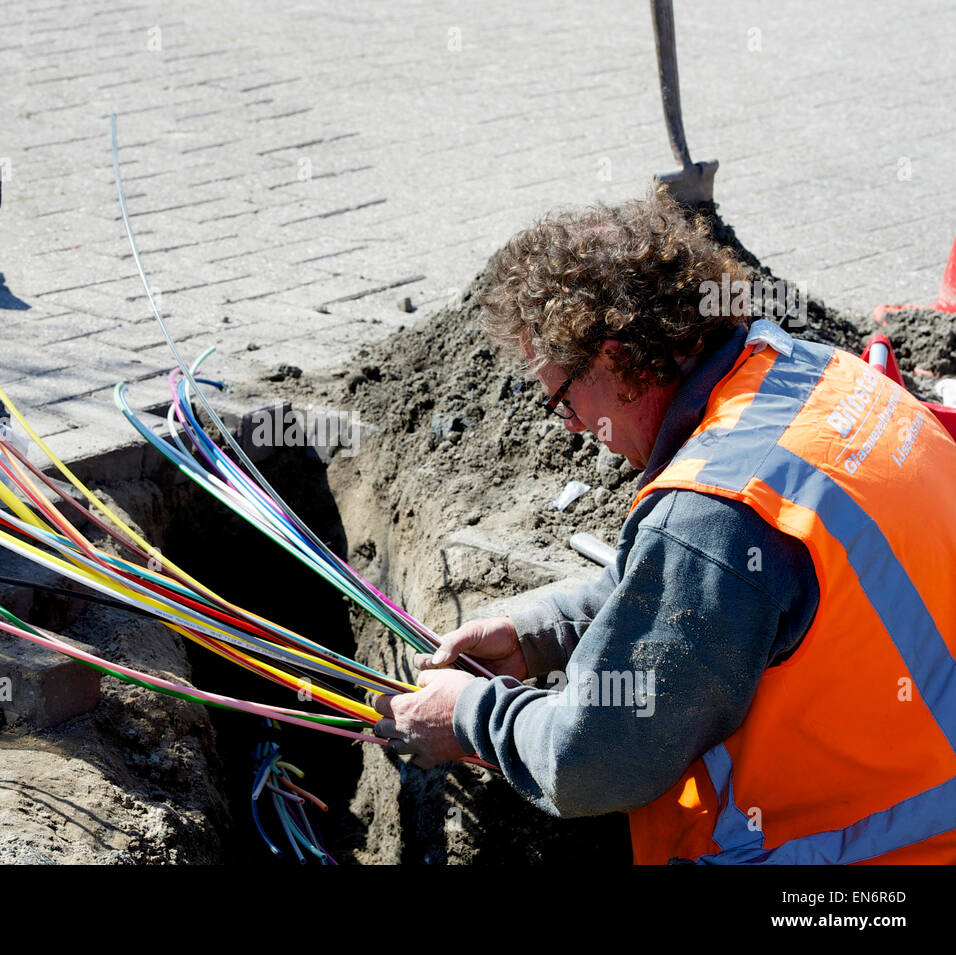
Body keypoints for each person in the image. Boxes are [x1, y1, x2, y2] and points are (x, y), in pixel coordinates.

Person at [373, 190, 956, 864]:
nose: (567, 426)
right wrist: (546, 631)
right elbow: (720, 586)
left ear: (619, 360)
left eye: (563, 397)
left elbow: (592, 760)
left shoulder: (716, 511)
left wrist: (468, 715)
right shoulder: (813, 377)